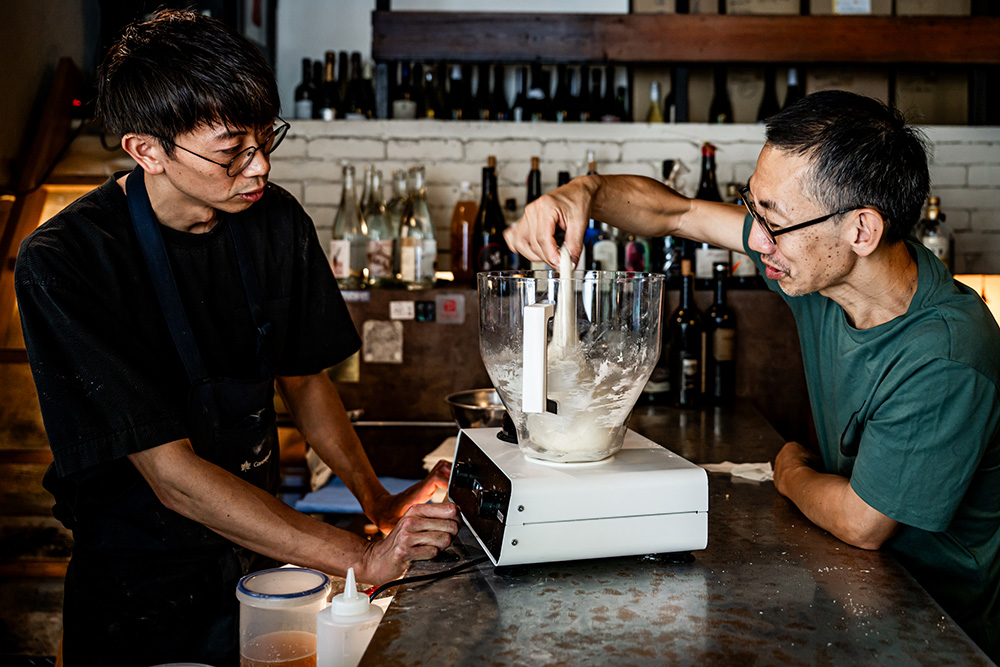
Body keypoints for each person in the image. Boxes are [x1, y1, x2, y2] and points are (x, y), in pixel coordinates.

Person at [14, 9, 457, 666]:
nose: (260, 169)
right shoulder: (68, 262)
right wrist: (362, 558)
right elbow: (173, 477)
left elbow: (306, 380)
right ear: (147, 149)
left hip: (265, 573)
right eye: (232, 151)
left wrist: (378, 502)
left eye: (265, 141)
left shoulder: (274, 222)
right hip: (140, 599)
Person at [506, 90, 999, 661]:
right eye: (754, 208)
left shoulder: (943, 354)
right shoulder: (823, 267)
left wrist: (788, 472)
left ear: (861, 230)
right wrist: (580, 193)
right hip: (853, 593)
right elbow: (678, 213)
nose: (756, 237)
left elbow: (863, 524)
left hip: (932, 634)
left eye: (775, 220)